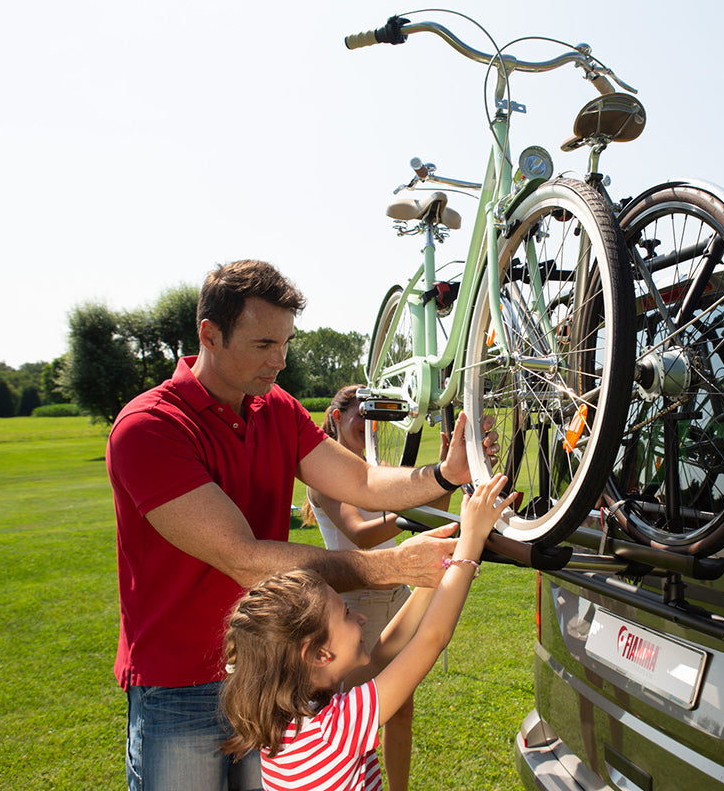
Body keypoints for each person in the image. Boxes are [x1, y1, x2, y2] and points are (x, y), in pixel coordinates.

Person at [106, 259, 491, 791]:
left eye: (287, 343)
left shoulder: (275, 408)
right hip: (179, 686)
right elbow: (242, 557)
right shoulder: (149, 429)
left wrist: (443, 475)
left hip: (269, 674)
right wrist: (390, 567)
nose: (280, 361)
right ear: (209, 335)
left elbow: (358, 479)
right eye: (264, 344)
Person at [220, 473, 515, 791]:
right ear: (320, 654)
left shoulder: (295, 717)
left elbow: (382, 655)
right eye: (345, 615)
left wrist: (439, 572)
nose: (359, 618)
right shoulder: (333, 731)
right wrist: (470, 544)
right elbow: (432, 638)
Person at [303, 384, 443, 791]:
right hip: (354, 610)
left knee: (400, 710)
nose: (370, 425)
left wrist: (442, 486)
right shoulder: (326, 478)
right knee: (356, 725)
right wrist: (408, 516)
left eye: (377, 416)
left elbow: (434, 519)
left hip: (397, 594)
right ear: (336, 417)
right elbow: (361, 535)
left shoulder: (375, 469)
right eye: (361, 414)